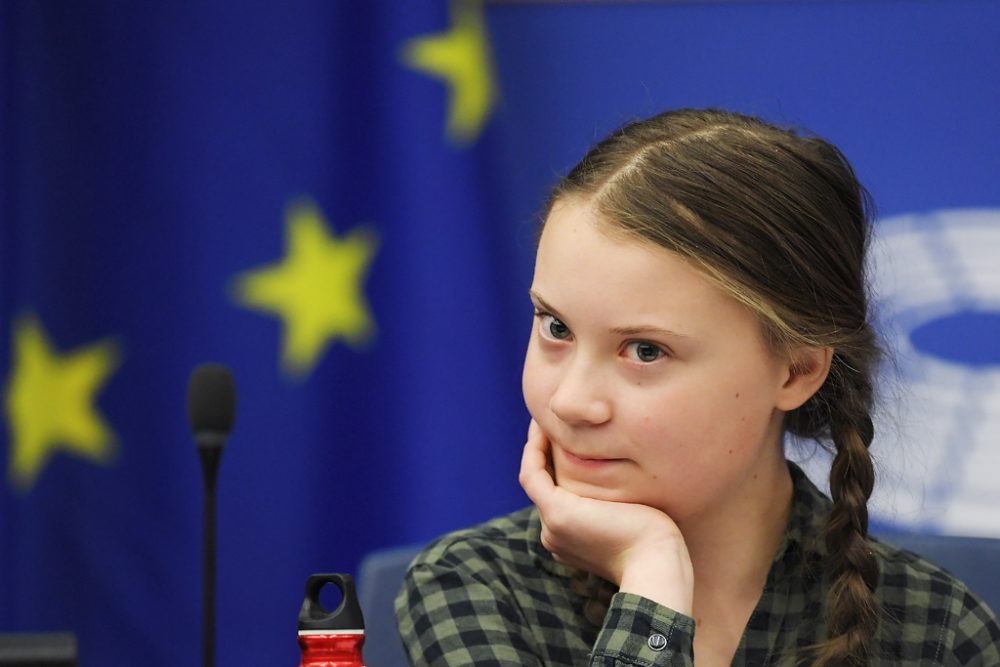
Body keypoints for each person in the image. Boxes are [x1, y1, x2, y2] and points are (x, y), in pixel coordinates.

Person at [394, 108, 1000, 666]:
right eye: (555, 327)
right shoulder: (472, 586)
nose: (571, 401)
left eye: (646, 351)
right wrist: (653, 578)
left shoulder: (938, 630)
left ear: (795, 371)